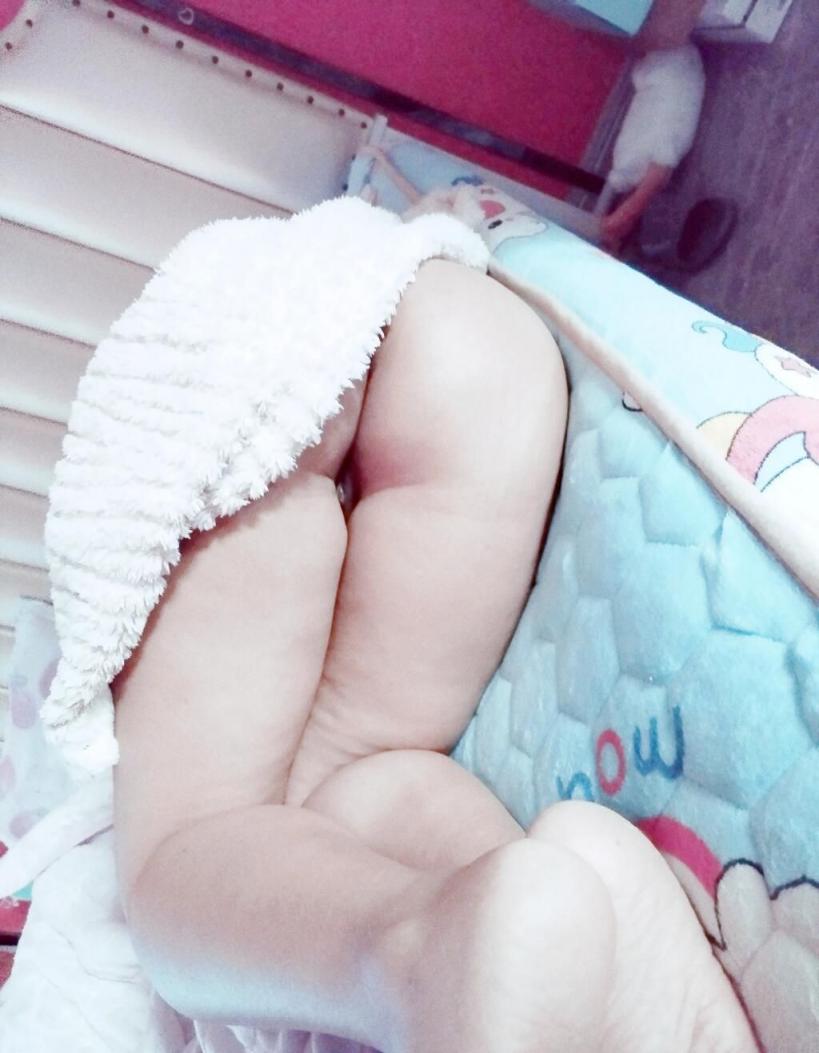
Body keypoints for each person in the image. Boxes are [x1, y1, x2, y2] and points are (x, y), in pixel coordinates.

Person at [111, 253, 756, 1051]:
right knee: (469, 350)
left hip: (303, 769)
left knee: (180, 869)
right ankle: (572, 956)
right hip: (386, 747)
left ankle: (424, 954)